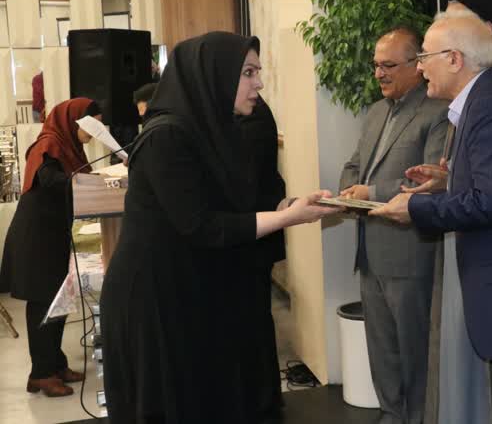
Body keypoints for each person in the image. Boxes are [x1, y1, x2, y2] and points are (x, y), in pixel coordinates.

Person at [99, 32, 341, 423]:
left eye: (257, 72)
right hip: (156, 300)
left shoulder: (214, 131)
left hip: (189, 289)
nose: (259, 84)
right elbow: (204, 226)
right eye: (248, 73)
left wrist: (288, 206)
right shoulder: (166, 137)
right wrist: (288, 217)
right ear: (212, 75)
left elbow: (236, 206)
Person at [372, 12, 492, 424]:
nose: (419, 68)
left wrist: (415, 208)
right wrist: (448, 180)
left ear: (454, 59)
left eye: (424, 57)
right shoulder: (485, 100)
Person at [338, 26, 448, 424]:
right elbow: (355, 165)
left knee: (415, 354)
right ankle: (390, 415)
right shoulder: (375, 112)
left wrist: (369, 192)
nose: (378, 74)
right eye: (375, 66)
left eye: (388, 65)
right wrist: (346, 191)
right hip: (370, 254)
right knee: (382, 353)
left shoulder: (438, 113)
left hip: (410, 256)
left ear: (417, 65)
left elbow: (430, 183)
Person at [0, 98, 102, 397]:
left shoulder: (68, 147)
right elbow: (50, 180)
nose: (93, 132)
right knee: (43, 302)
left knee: (59, 301)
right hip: (37, 238)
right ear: (72, 121)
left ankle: (55, 364)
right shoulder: (48, 144)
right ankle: (41, 374)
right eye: (90, 125)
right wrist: (88, 182)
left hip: (52, 235)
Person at [231, 95, 287, 421]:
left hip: (253, 238)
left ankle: (262, 402)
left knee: (253, 322)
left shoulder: (252, 113)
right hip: (248, 236)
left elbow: (245, 177)